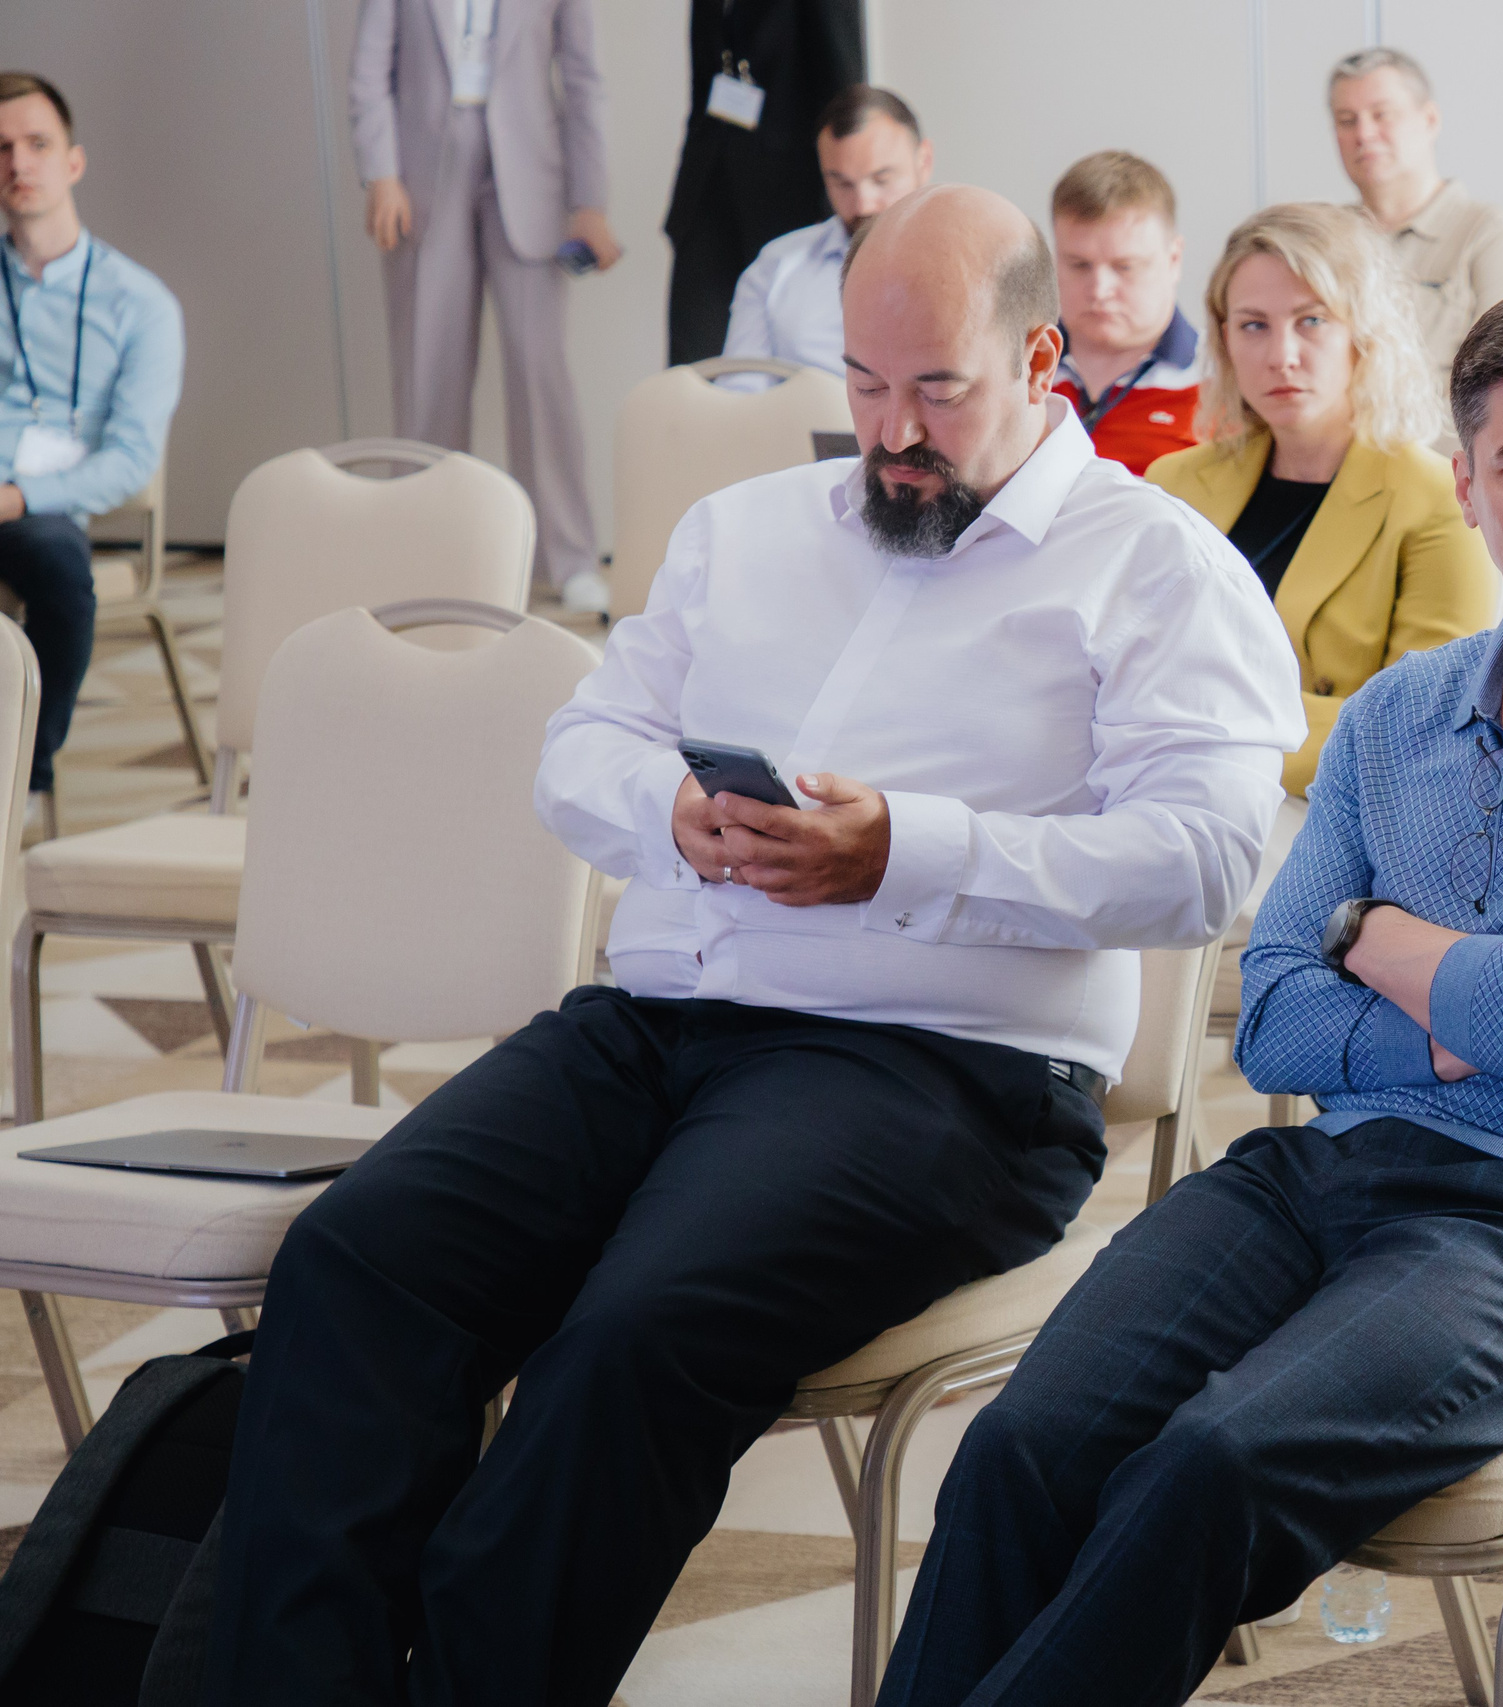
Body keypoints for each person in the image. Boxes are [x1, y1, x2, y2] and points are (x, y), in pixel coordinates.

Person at [197, 185, 1305, 1705]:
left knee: (628, 1338)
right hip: (654, 1022)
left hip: (944, 1072)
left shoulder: (1158, 565)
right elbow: (580, 742)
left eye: (936, 388)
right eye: (863, 382)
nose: (891, 428)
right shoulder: (747, 529)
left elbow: (1208, 861)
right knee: (355, 1262)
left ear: (1044, 355)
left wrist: (906, 848)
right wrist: (672, 814)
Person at [874, 283, 1503, 1707]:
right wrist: (1478, 1002)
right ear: (1468, 485)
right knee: (1024, 1446)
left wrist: (1375, 933)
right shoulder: (1402, 712)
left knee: (1206, 1470)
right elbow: (1269, 1013)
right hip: (1318, 1173)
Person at [1148, 202, 1498, 803]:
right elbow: (1122, 683)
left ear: (1364, 333)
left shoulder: (1438, 497)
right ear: (1224, 338)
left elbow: (1423, 736)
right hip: (1168, 810)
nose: (1281, 355)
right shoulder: (1174, 484)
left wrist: (1199, 725)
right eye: (1253, 325)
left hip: (1331, 831)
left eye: (1311, 321)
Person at [350, 0, 618, 612]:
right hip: (421, 176)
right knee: (428, 375)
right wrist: (380, 174)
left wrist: (590, 200)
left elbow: (582, 77)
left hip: (531, 171)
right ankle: (430, 558)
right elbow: (368, 70)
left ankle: (568, 558)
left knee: (540, 373)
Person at [0, 73, 181, 826]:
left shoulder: (139, 303)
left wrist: (16, 497)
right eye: (1, 149)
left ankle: (24, 785)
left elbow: (131, 459)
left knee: (60, 568)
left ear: (73, 162)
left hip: (42, 509)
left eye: (37, 144)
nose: (19, 162)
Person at [1330, 47, 1503, 406]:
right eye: (1347, 120)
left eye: (1382, 114)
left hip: (1447, 460)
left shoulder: (1492, 235)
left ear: (1430, 120)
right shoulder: (1325, 242)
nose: (1364, 133)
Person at [662, 0, 862, 364]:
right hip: (708, 190)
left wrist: (835, 208)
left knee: (787, 365)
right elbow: (703, 84)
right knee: (692, 365)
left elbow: (844, 91)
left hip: (791, 198)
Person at [721, 84, 930, 377]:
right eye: (842, 183)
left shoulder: (976, 260)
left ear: (924, 161)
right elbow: (742, 393)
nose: (863, 205)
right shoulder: (775, 266)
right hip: (798, 422)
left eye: (882, 179)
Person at [1051, 151, 1201, 476]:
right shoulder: (1013, 374)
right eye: (1079, 265)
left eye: (1125, 267)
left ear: (1174, 259)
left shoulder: (1226, 382)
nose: (1100, 289)